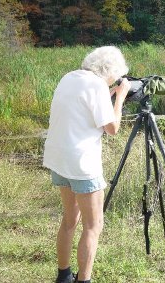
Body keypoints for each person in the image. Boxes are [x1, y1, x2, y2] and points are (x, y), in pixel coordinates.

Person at [43, 46, 132, 283]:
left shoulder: (69, 77)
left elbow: (83, 109)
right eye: (116, 75)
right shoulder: (97, 86)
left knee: (70, 220)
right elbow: (112, 129)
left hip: (60, 159)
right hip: (82, 164)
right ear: (109, 71)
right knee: (93, 226)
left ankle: (63, 276)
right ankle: (84, 280)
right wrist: (120, 97)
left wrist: (108, 94)